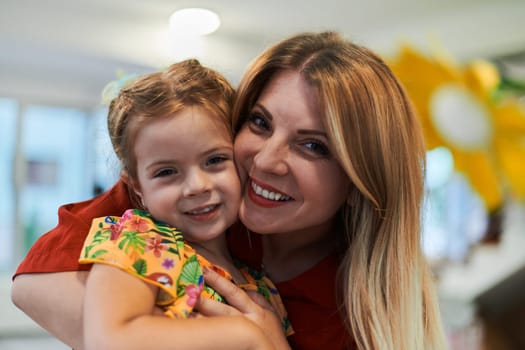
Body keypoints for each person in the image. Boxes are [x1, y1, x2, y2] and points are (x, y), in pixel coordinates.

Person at [12, 31, 447, 350]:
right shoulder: (161, 215)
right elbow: (32, 286)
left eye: (313, 145)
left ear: (360, 182)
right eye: (260, 122)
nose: (265, 160)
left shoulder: (351, 310)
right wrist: (245, 338)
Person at [75, 58, 291, 350]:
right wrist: (247, 336)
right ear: (138, 187)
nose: (197, 186)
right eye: (166, 172)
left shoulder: (259, 281)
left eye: (215, 160)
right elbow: (108, 341)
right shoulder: (139, 240)